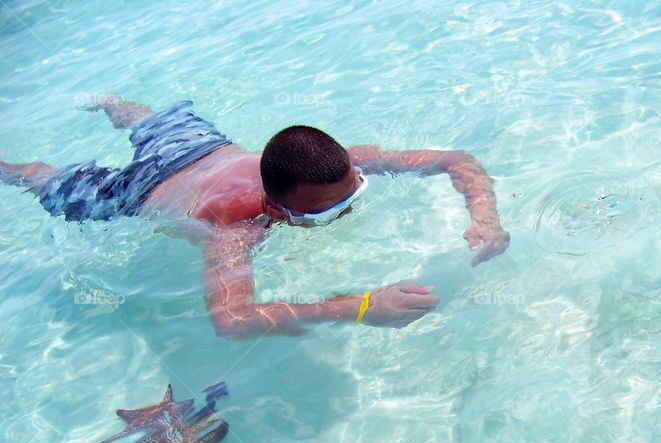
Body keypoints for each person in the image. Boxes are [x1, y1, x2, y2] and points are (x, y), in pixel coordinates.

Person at [0, 97, 510, 337]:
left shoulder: (340, 162)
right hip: (144, 190)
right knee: (45, 179)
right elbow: (232, 320)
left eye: (352, 195)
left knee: (151, 121)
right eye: (322, 215)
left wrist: (485, 216)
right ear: (273, 207)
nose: (345, 212)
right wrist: (358, 307)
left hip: (200, 146)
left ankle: (110, 104)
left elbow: (454, 159)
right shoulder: (234, 228)